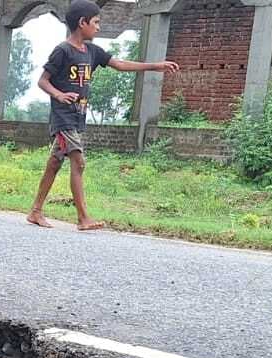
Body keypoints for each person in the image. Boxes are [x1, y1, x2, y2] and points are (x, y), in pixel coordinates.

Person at [27, 0, 179, 230]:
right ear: (82, 22)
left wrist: (155, 66)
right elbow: (43, 81)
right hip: (63, 118)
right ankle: (83, 218)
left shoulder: (92, 51)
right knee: (78, 162)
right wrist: (59, 95)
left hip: (77, 116)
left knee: (55, 162)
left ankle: (35, 211)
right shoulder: (62, 51)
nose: (98, 27)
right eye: (96, 22)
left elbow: (120, 64)